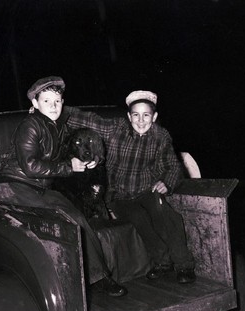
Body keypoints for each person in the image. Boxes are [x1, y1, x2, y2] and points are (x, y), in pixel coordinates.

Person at [0, 76, 127, 297]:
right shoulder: (30, 125)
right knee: (69, 220)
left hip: (38, 188)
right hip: (16, 186)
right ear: (35, 104)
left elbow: (78, 148)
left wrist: (93, 160)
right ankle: (86, 283)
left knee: (78, 218)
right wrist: (68, 167)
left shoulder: (59, 127)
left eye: (57, 101)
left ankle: (100, 277)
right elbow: (30, 166)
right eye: (47, 101)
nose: (53, 106)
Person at [67, 90, 196, 283]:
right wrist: (55, 110)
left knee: (166, 214)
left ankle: (184, 266)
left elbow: (171, 165)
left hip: (146, 190)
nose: (141, 120)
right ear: (129, 116)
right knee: (138, 217)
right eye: (136, 115)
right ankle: (162, 262)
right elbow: (87, 119)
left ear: (154, 117)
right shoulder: (116, 129)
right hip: (119, 195)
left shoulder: (161, 136)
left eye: (146, 115)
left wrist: (166, 182)